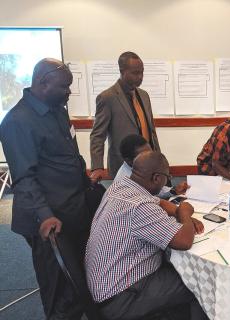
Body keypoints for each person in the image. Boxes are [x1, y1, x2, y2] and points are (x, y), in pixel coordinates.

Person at [0, 58, 91, 319]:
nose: (69, 92)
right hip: (49, 222)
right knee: (58, 288)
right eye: (65, 87)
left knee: (77, 279)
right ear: (43, 83)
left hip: (73, 209)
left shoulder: (57, 110)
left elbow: (69, 154)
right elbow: (24, 178)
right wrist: (45, 214)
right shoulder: (17, 122)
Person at [86, 151, 208, 320]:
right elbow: (184, 241)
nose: (169, 180)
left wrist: (179, 212)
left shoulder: (120, 186)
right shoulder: (140, 208)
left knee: (175, 267)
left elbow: (159, 202)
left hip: (106, 284)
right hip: (122, 298)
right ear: (157, 178)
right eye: (168, 176)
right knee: (198, 281)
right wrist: (185, 213)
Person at [90, 51, 160, 181]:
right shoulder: (107, 97)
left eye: (142, 72)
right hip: (123, 165)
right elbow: (97, 135)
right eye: (135, 73)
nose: (140, 77)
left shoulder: (144, 96)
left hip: (147, 164)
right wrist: (97, 166)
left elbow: (152, 132)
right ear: (122, 71)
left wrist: (158, 159)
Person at [115, 134, 189, 198]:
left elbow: (153, 190)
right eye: (144, 156)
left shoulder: (142, 168)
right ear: (129, 160)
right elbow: (147, 201)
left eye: (151, 153)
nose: (151, 158)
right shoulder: (124, 182)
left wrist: (174, 191)